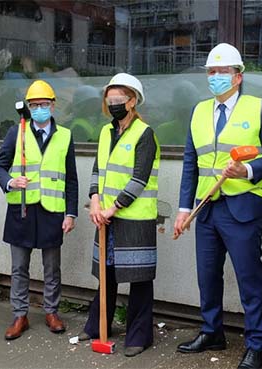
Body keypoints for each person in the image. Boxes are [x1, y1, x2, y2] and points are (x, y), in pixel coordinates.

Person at [173, 43, 262, 369]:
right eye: (211, 72)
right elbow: (190, 163)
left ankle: (256, 345)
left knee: (249, 278)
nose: (216, 77)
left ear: (238, 76)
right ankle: (212, 332)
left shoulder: (259, 108)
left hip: (242, 207)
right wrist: (184, 208)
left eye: (223, 72)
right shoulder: (198, 112)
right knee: (207, 276)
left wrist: (248, 171)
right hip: (206, 207)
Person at [77, 73, 160, 358]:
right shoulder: (105, 132)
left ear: (132, 101)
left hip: (134, 218)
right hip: (106, 216)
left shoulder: (144, 134)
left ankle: (139, 335)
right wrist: (95, 202)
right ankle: (99, 323)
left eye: (118, 100)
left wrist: (112, 208)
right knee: (107, 273)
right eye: (109, 100)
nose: (113, 104)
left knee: (138, 278)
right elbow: (98, 170)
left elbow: (139, 179)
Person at [0, 80, 79, 339]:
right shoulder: (15, 133)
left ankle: (52, 312)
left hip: (52, 209)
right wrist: (9, 182)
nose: (39, 108)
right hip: (22, 210)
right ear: (28, 108)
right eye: (34, 105)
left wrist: (71, 213)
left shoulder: (65, 136)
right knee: (19, 267)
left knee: (52, 268)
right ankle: (20, 315)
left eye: (43, 104)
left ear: (53, 105)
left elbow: (71, 179)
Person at [155, 80, 201, 145]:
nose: (185, 115)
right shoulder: (163, 130)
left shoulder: (208, 130)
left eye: (188, 110)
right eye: (182, 110)